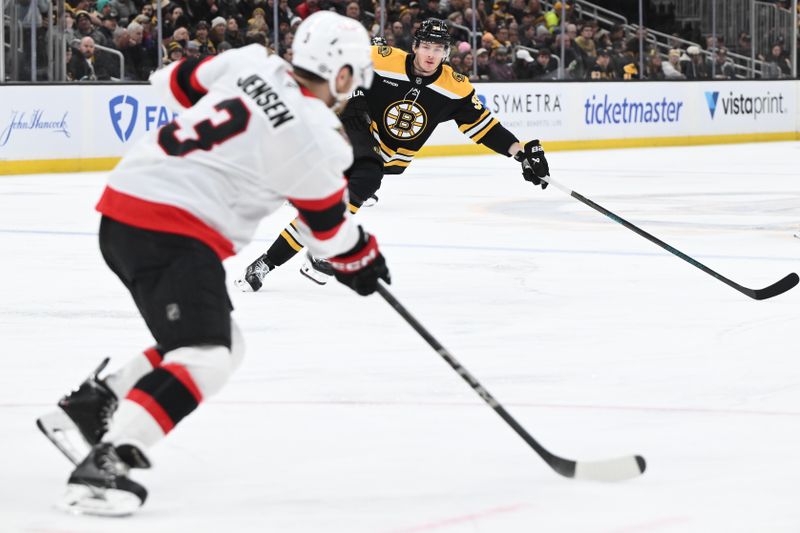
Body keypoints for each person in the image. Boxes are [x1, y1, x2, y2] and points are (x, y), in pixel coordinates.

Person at [37, 11, 388, 516]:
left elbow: (172, 85)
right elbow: (327, 231)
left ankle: (90, 408)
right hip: (169, 230)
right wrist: (364, 260)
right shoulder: (320, 139)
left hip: (124, 207)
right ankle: (106, 464)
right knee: (206, 354)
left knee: (221, 340)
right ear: (340, 73)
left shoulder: (250, 62)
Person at [234, 18, 551, 293]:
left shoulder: (454, 88)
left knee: (330, 210)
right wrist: (353, 94)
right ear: (415, 46)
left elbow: (485, 128)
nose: (431, 54)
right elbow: (340, 66)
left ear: (447, 53)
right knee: (367, 176)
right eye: (426, 46)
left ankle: (267, 262)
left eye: (439, 49)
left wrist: (521, 153)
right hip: (349, 126)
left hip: (381, 157)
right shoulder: (380, 59)